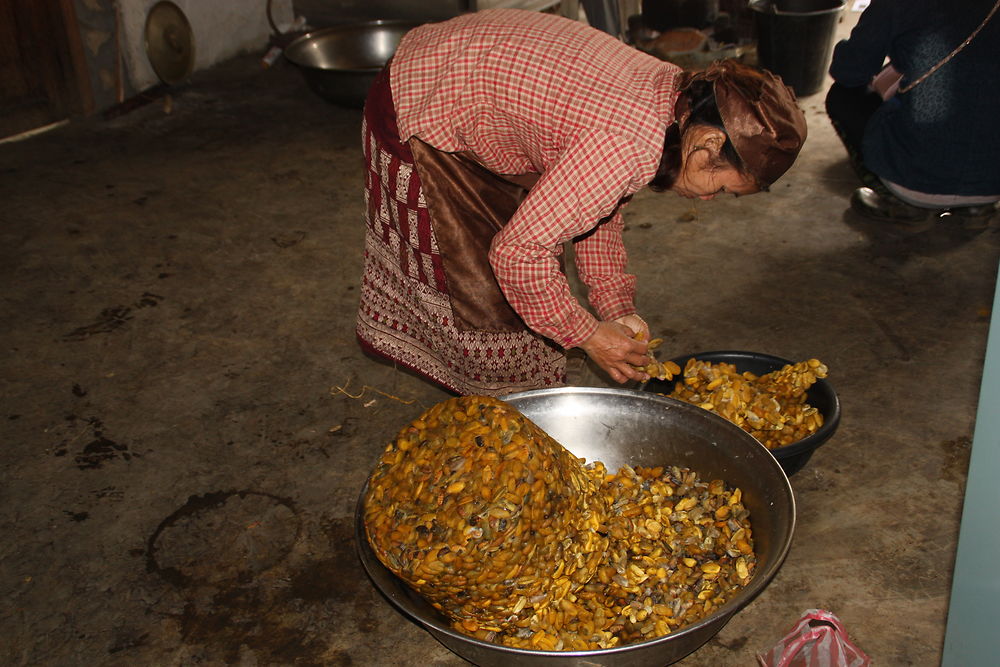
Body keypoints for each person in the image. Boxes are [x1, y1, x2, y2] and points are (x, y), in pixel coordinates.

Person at [356, 8, 807, 396]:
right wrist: (587, 334)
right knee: (483, 298)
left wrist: (616, 307)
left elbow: (594, 208)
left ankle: (510, 403)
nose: (709, 199)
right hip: (422, 96)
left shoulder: (675, 98)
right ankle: (495, 418)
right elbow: (516, 255)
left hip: (470, 80)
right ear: (709, 140)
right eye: (722, 187)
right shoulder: (626, 143)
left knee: (528, 280)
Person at [826, 0, 1000, 228]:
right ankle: (977, 207)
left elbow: (849, 71)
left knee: (843, 96)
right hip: (992, 183)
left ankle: (900, 201)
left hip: (918, 180)